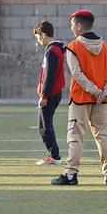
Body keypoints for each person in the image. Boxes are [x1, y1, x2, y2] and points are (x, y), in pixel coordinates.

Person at [52, 9, 107, 185]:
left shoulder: (73, 46)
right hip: (102, 100)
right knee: (104, 137)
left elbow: (77, 75)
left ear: (79, 26)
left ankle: (71, 174)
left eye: (72, 24)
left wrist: (94, 91)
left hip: (81, 98)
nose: (71, 27)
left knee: (75, 137)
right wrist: (105, 92)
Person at [33, 20, 66, 166]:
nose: (38, 40)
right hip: (54, 93)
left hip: (50, 94)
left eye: (38, 37)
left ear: (44, 35)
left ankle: (54, 156)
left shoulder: (52, 51)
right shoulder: (56, 49)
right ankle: (53, 155)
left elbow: (49, 75)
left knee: (44, 127)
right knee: (46, 125)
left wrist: (44, 96)